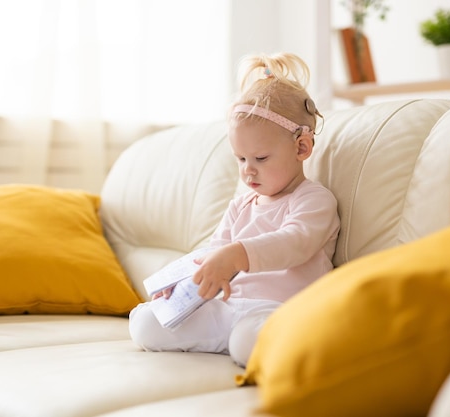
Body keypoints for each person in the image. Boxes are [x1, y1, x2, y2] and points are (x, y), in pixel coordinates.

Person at [128, 52, 341, 367]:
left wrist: (237, 255)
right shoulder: (241, 204)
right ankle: (220, 340)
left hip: (279, 309)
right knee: (146, 323)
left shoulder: (313, 199)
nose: (248, 171)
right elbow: (214, 250)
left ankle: (244, 345)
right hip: (229, 308)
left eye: (261, 158)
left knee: (247, 340)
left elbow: (294, 243)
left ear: (302, 148)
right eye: (240, 159)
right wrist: (186, 280)